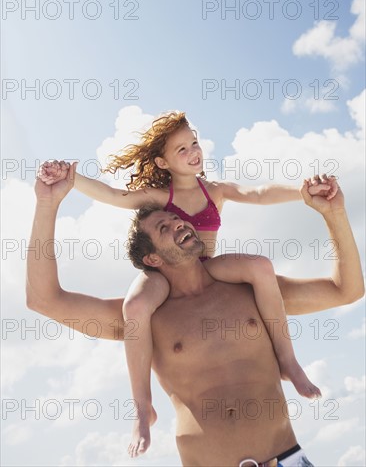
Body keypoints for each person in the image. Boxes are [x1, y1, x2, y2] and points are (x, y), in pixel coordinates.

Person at [37, 112, 338, 456]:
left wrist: (302, 192)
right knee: (135, 307)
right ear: (164, 161)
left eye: (194, 142)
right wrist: (71, 178)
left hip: (208, 269)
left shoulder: (214, 190)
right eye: (182, 149)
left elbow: (257, 193)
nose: (193, 151)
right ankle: (141, 407)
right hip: (166, 275)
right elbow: (116, 196)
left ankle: (290, 363)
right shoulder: (156, 198)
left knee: (258, 266)